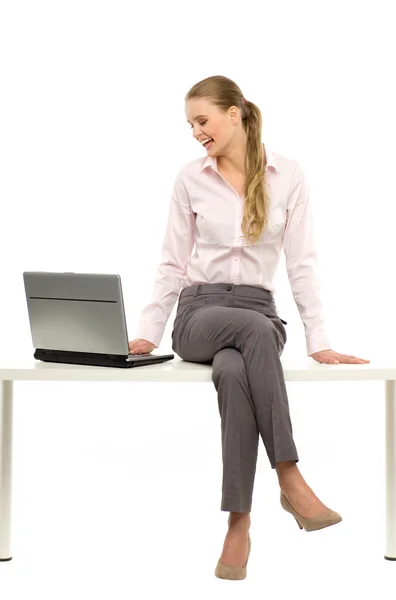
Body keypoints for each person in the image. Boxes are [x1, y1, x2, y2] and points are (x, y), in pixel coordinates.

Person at [128, 75, 370, 580]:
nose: (196, 132)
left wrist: (319, 340)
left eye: (202, 120)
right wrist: (149, 332)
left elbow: (301, 262)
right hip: (200, 315)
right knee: (252, 334)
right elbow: (173, 262)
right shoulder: (190, 178)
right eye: (190, 124)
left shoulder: (290, 175)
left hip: (259, 314)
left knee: (236, 370)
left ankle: (238, 523)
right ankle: (291, 477)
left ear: (234, 113)